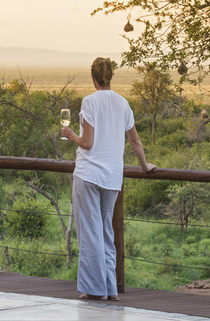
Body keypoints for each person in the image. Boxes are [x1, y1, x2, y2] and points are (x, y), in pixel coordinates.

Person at [61, 57, 156, 301]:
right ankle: (110, 288)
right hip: (113, 177)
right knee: (105, 231)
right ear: (110, 77)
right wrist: (145, 165)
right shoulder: (123, 103)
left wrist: (71, 135)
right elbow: (135, 140)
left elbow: (87, 143)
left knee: (89, 233)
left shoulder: (90, 102)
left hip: (89, 174)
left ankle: (95, 290)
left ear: (93, 78)